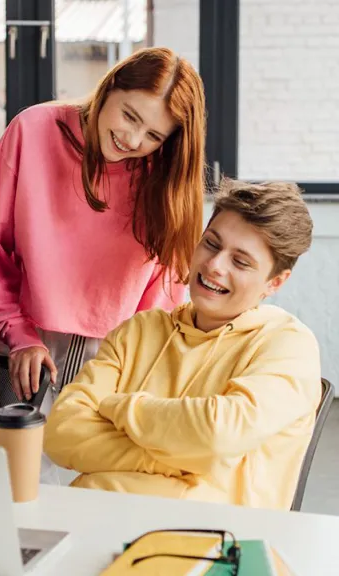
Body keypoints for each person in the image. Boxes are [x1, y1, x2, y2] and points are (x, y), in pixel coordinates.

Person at [44, 179, 321, 510]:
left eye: (240, 262)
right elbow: (61, 432)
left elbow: (220, 432)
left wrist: (120, 407)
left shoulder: (287, 345)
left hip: (206, 542)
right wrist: (183, 463)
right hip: (87, 519)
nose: (214, 266)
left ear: (275, 282)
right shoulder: (139, 331)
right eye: (212, 244)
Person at [0, 47, 206, 406]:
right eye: (129, 116)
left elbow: (165, 289)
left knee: (95, 462)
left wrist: (133, 358)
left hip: (116, 360)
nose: (132, 140)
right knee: (11, 458)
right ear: (110, 86)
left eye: (153, 136)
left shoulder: (165, 176)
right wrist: (19, 333)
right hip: (20, 345)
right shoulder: (33, 130)